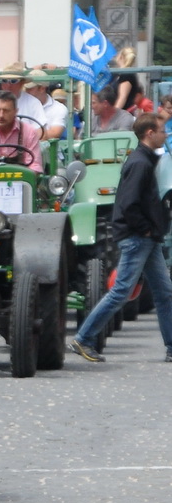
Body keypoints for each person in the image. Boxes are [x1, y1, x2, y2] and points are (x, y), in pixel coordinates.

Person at [71, 113, 172, 362]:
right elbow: (128, 203)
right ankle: (83, 338)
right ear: (149, 133)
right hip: (139, 238)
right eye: (162, 130)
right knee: (121, 291)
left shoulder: (143, 160)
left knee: (165, 292)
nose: (166, 133)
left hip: (146, 238)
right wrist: (145, 229)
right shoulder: (140, 163)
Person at [0, 90, 42, 171]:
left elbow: (35, 167)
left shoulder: (29, 132)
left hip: (20, 181)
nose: (1, 115)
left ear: (15, 111)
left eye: (6, 111)